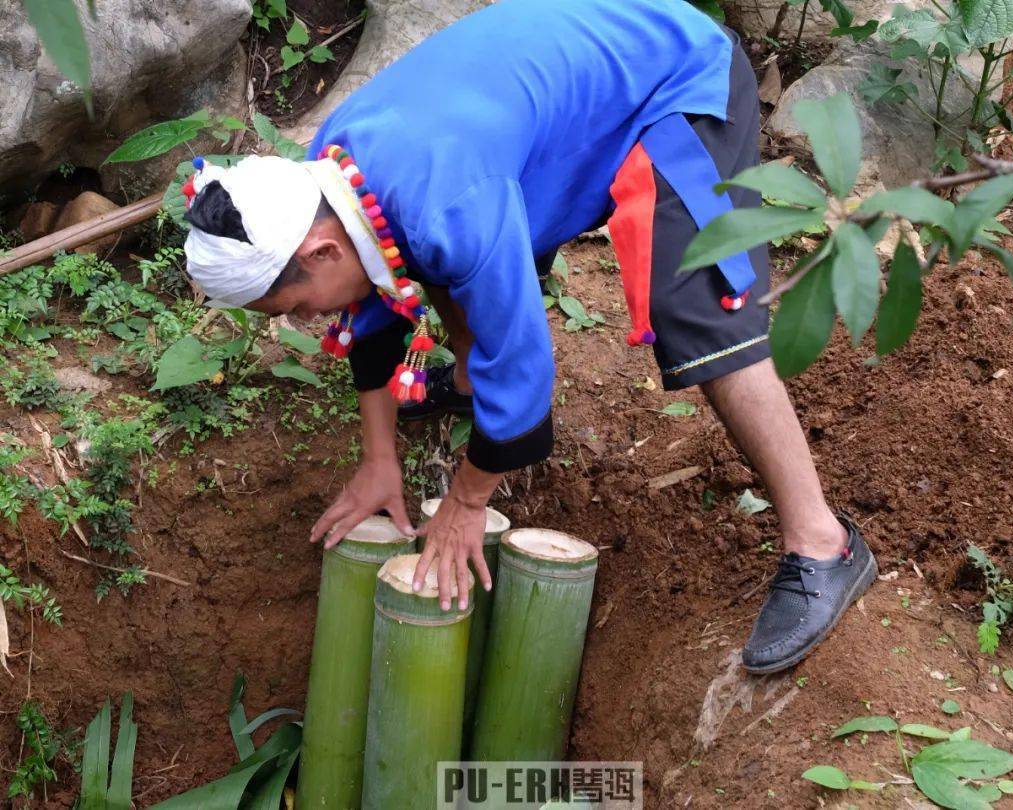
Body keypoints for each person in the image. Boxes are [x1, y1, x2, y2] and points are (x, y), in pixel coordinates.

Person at [181, 0, 877, 674]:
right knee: (422, 249)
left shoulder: (448, 202)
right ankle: (463, 383)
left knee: (697, 308)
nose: (295, 322)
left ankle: (823, 542)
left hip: (673, 76)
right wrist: (377, 457)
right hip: (556, 92)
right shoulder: (328, 178)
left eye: (288, 305)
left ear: (322, 252)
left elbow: (525, 378)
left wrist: (467, 500)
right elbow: (377, 289)